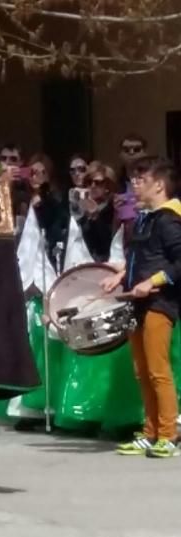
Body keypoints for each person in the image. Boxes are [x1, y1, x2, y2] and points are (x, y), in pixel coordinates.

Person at [103, 157, 181, 459]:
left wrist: (152, 282)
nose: (135, 184)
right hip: (138, 302)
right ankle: (149, 433)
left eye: (141, 179)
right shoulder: (146, 218)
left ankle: (167, 434)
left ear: (159, 184)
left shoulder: (169, 219)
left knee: (158, 370)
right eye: (133, 179)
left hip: (160, 303)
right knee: (142, 371)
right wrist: (121, 277)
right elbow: (141, 257)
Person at [27, 153, 70, 269]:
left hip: (46, 258)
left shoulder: (54, 201)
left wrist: (41, 205)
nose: (37, 176)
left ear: (49, 176)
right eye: (33, 172)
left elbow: (54, 229)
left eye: (43, 172)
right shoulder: (22, 198)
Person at [79, 161, 117, 262]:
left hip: (105, 263)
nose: (92, 186)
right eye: (89, 182)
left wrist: (95, 217)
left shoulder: (114, 208)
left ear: (107, 187)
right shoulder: (81, 208)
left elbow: (107, 243)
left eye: (98, 183)